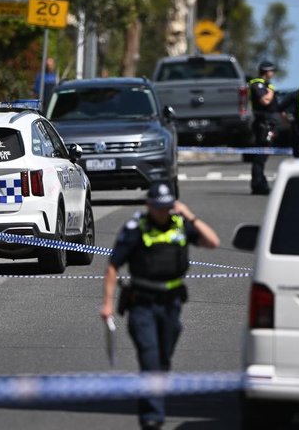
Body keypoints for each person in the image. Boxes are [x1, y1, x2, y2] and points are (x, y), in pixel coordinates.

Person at [100, 182, 220, 430]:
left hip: (171, 304)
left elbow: (213, 242)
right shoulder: (136, 229)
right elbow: (113, 266)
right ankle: (152, 418)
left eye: (167, 207)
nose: (163, 212)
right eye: (158, 207)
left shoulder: (180, 225)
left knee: (163, 360)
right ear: (149, 206)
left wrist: (189, 215)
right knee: (150, 359)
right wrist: (107, 304)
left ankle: (153, 402)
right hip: (141, 304)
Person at [248, 61, 279, 195]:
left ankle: (260, 182)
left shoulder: (263, 84)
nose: (272, 74)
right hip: (262, 124)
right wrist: (271, 90)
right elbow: (265, 100)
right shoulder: (258, 84)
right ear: (266, 72)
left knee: (263, 155)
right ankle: (258, 184)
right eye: (271, 71)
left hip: (267, 123)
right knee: (260, 155)